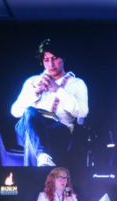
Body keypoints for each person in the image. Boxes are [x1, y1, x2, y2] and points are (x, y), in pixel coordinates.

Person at [11, 38, 89, 167]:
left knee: (31, 138)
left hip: (58, 130)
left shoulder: (76, 83)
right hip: (29, 124)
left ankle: (39, 161)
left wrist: (57, 89)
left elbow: (82, 112)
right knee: (29, 112)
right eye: (46, 60)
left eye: (54, 59)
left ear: (63, 58)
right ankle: (42, 156)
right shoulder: (32, 81)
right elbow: (15, 112)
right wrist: (35, 93)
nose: (51, 64)